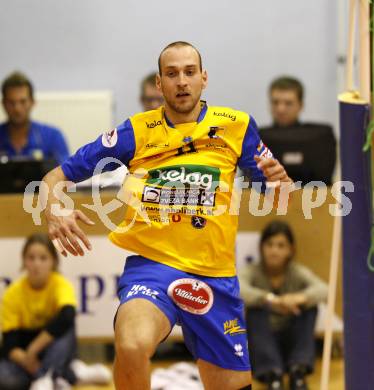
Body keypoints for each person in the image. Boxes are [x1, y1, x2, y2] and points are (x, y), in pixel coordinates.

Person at [41, 41, 292, 390]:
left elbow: (280, 200)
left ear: (204, 78)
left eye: (189, 72)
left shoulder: (237, 126)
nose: (182, 81)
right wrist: (54, 209)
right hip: (153, 269)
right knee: (131, 345)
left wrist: (282, 186)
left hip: (215, 275)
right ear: (159, 84)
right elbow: (55, 177)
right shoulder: (135, 132)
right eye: (172, 74)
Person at [0, 233, 111, 390]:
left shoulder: (61, 284)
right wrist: (28, 360)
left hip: (52, 348)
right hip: (25, 356)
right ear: (24, 261)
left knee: (66, 326)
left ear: (53, 261)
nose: (36, 264)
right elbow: (9, 345)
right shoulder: (13, 293)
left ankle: (47, 378)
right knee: (5, 379)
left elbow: (67, 315)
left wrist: (34, 348)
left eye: (43, 258)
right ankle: (69, 375)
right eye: (31, 258)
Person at [238, 221, 328, 390]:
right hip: (264, 342)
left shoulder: (296, 271)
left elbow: (324, 289)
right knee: (255, 309)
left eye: (281, 246)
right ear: (262, 247)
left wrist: (298, 298)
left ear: (290, 250)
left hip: (292, 340)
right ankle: (273, 374)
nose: (274, 251)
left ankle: (298, 371)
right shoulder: (253, 271)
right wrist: (271, 299)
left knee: (309, 308)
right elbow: (238, 288)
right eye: (270, 245)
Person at [259, 76, 336, 185]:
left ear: (301, 105)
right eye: (275, 102)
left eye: (288, 103)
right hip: (266, 199)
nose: (281, 109)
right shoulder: (257, 138)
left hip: (315, 198)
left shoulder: (320, 136)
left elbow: (324, 176)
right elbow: (248, 181)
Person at [0, 72, 69, 164]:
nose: (17, 108)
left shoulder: (52, 137)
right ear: (3, 103)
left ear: (32, 102)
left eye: (23, 102)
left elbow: (65, 173)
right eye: (11, 102)